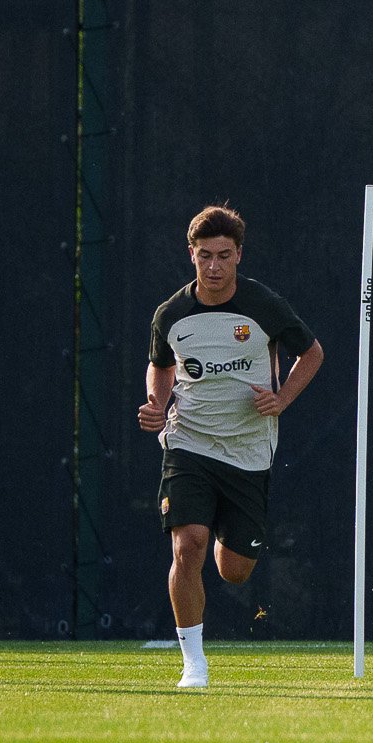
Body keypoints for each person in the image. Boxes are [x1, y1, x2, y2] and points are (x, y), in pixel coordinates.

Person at [140, 205, 322, 690]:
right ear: (191, 256)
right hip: (188, 442)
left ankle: (229, 533)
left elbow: (312, 352)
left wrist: (282, 398)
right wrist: (156, 401)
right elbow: (160, 364)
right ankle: (193, 664)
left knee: (236, 572)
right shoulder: (171, 314)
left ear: (239, 255)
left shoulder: (264, 306)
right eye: (205, 256)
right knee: (188, 544)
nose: (214, 266)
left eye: (224, 255)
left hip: (247, 451)